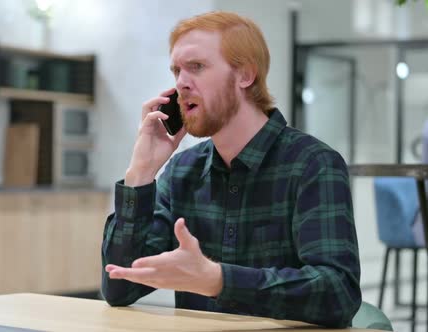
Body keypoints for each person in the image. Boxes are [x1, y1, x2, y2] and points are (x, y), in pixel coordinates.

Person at [101, 11, 361, 328]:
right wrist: (140, 173)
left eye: (196, 67)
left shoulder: (312, 163)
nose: (181, 83)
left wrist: (219, 279)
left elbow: (338, 293)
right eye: (176, 71)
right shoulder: (182, 171)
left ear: (245, 75)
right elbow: (119, 287)